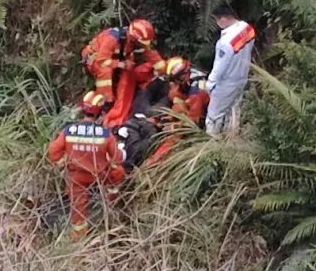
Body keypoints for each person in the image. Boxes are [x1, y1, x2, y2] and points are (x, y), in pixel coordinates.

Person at [47, 91, 126, 239]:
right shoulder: (105, 134)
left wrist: (62, 162)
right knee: (118, 171)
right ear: (101, 113)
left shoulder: (68, 131)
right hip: (100, 175)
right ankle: (112, 203)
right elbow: (117, 158)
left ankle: (79, 238)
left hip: (77, 177)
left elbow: (53, 152)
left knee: (78, 210)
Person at [145, 59, 210, 166]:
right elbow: (177, 101)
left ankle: (155, 162)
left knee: (174, 137)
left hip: (200, 120)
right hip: (189, 112)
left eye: (174, 80)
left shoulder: (197, 92)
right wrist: (169, 118)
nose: (172, 83)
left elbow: (192, 122)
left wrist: (175, 126)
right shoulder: (186, 83)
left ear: (183, 76)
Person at [205, 4, 256, 136]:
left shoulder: (225, 42)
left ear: (223, 19)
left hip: (226, 82)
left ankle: (211, 144)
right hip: (242, 78)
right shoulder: (247, 29)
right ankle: (232, 139)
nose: (217, 24)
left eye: (216, 20)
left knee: (214, 115)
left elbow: (220, 67)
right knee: (234, 110)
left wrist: (210, 84)